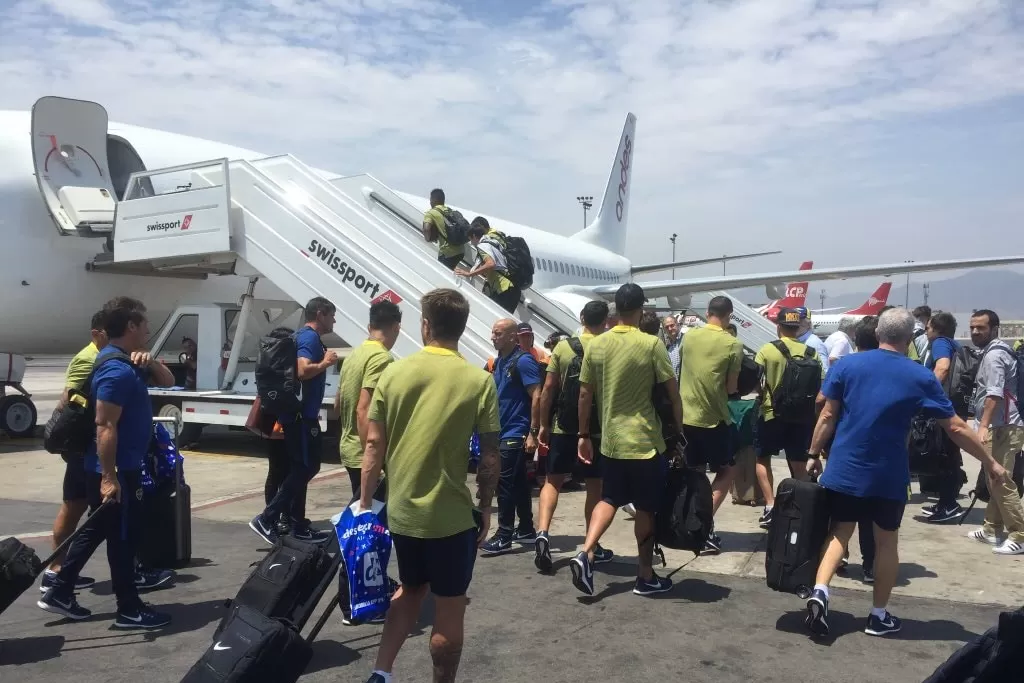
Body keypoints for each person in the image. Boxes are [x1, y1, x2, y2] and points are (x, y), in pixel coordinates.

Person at [803, 308, 1008, 638]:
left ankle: (821, 591)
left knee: (840, 532)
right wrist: (989, 461)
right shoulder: (918, 375)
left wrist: (813, 454)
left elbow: (827, 414)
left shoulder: (847, 365)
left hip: (845, 468)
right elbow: (955, 426)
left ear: (879, 333)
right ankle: (878, 616)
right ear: (908, 337)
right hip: (888, 475)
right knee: (886, 543)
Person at [358, 288, 501, 683]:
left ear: (425, 325)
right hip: (451, 518)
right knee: (450, 607)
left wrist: (364, 501)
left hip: (403, 515)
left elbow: (373, 444)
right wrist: (485, 507)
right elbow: (490, 455)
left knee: (410, 589)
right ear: (462, 327)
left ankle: (381, 672)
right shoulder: (478, 381)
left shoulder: (393, 373)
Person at [38, 297, 177, 628]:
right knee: (122, 538)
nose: (147, 331)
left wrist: (151, 362)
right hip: (116, 470)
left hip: (114, 467)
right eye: (144, 326)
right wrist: (109, 477)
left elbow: (168, 381)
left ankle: (60, 589)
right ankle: (128, 608)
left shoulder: (124, 362)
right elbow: (105, 425)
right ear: (130, 327)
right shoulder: (116, 369)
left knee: (101, 529)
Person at [570, 284, 682, 597]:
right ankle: (645, 576)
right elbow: (672, 393)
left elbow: (584, 394)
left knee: (609, 499)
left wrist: (582, 435)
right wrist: (679, 429)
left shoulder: (596, 345)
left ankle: (586, 551)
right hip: (645, 443)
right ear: (640, 309)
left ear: (616, 309)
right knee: (646, 509)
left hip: (611, 442)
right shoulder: (651, 344)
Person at [250, 297, 338, 545]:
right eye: (332, 315)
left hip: (299, 416)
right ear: (320, 314)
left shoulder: (304, 336)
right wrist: (326, 363)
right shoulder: (309, 338)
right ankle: (268, 518)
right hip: (301, 418)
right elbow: (302, 370)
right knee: (305, 468)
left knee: (304, 468)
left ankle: (298, 525)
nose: (334, 320)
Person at [536, 301, 613, 571]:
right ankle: (590, 545)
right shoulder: (608, 346)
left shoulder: (563, 347)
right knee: (595, 487)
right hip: (595, 430)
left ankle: (543, 532)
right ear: (606, 321)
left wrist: (543, 424)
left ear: (581, 317)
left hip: (562, 426)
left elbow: (548, 389)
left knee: (552, 482)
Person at [40, 310, 108, 592]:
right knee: (74, 509)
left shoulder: (102, 356)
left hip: (87, 448)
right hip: (82, 449)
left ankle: (61, 571)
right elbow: (69, 401)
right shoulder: (87, 357)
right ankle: (56, 572)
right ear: (97, 334)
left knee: (79, 508)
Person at [679, 295, 744, 553]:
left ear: (707, 313)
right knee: (727, 471)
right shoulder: (733, 344)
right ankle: (703, 525)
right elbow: (731, 388)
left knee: (693, 472)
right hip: (713, 419)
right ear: (729, 316)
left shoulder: (689, 337)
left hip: (685, 417)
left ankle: (686, 520)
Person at [753, 308, 825, 529]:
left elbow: (757, 383)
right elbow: (820, 388)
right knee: (798, 462)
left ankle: (771, 505)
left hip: (770, 413)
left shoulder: (767, 350)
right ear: (798, 328)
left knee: (763, 458)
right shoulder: (812, 353)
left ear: (778, 326)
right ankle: (805, 505)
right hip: (801, 417)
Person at [964, 309, 1024, 556]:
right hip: (1003, 425)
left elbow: (994, 394)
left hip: (1002, 427)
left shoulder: (994, 356)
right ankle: (991, 529)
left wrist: (983, 426)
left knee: (1001, 479)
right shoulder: (996, 351)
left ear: (994, 328)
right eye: (973, 328)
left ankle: (1019, 535)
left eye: (982, 328)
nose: (976, 332)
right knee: (994, 477)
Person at [480, 319, 541, 554]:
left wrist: (532, 433)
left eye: (498, 333)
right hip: (502, 430)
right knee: (517, 482)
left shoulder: (523, 361)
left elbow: (537, 395)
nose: (493, 336)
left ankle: (504, 533)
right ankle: (525, 528)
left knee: (503, 483)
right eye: (493, 332)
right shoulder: (500, 361)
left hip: (516, 431)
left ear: (512, 336)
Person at [337, 301, 403, 501]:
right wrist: (372, 458)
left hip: (349, 447)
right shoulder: (381, 358)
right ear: (396, 327)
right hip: (364, 453)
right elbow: (363, 409)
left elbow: (338, 403)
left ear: (369, 326)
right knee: (367, 518)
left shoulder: (353, 355)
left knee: (360, 516)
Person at [921, 311, 967, 523]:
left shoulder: (940, 343)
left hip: (944, 408)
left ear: (937, 329)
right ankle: (945, 502)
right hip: (956, 406)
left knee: (945, 455)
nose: (925, 330)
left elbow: (942, 368)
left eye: (928, 327)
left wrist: (926, 393)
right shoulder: (953, 343)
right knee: (949, 454)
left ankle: (949, 504)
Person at [455, 217, 520, 314]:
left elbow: (490, 264)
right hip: (511, 288)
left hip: (504, 289)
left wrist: (469, 274)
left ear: (473, 236)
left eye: (470, 240)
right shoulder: (493, 242)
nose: (471, 243)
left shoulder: (482, 246)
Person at [422, 188, 465, 270]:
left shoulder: (431, 213)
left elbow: (426, 229)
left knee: (442, 275)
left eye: (430, 199)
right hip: (460, 251)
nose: (430, 202)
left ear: (434, 199)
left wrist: (428, 239)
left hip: (447, 253)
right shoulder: (449, 210)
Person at [794, 307, 829, 373]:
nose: (795, 324)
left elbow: (824, 371)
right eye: (793, 320)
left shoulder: (814, 343)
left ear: (808, 324)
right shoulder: (794, 340)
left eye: (799, 320)